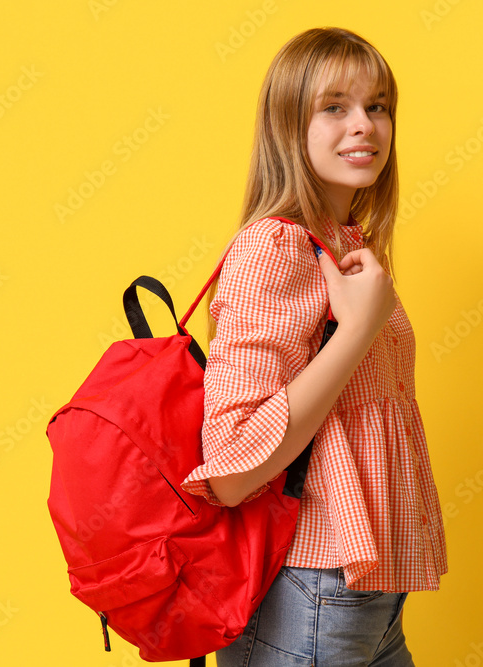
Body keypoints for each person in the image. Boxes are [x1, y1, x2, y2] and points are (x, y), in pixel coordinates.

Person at [180, 26, 447, 665]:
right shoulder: (274, 248)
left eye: (377, 105)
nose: (365, 125)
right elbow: (235, 466)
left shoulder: (345, 244)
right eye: (335, 107)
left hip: (366, 595)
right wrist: (356, 332)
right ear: (287, 126)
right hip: (312, 589)